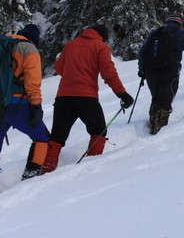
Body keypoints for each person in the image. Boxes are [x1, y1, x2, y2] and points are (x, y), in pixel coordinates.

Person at [41, 24, 134, 174]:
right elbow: (109, 73)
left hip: (63, 98)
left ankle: (46, 171)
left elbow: (59, 69)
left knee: (57, 137)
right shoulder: (100, 47)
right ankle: (91, 167)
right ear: (102, 36)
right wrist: (122, 94)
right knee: (99, 131)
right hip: (86, 98)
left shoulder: (71, 45)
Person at [0, 24, 49, 202]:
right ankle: (30, 177)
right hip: (18, 105)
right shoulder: (28, 49)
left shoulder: (0, 46)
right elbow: (32, 82)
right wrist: (36, 107)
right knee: (42, 138)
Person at [138, 14, 184, 134]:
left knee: (156, 97)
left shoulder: (155, 32)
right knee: (165, 101)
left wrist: (142, 69)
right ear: (179, 23)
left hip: (151, 71)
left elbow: (142, 51)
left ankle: (153, 124)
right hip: (170, 71)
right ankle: (159, 131)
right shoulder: (182, 33)